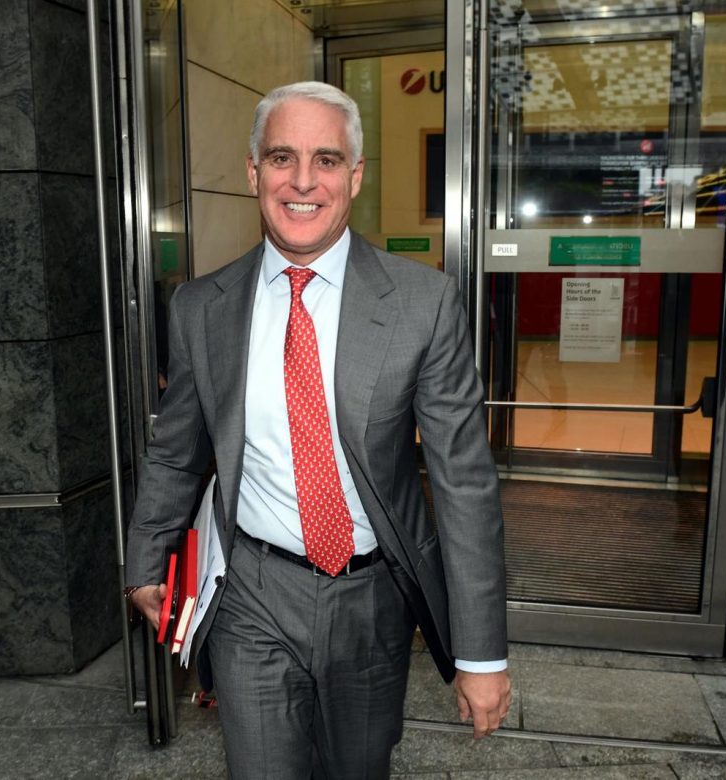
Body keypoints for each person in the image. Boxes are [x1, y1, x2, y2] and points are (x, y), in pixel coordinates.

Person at [126, 80, 510, 778]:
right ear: (254, 172)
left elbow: (465, 485)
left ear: (354, 176)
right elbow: (177, 452)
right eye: (282, 158)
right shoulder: (200, 308)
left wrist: (481, 655)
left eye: (326, 160)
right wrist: (147, 560)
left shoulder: (422, 305)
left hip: (372, 599)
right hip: (250, 592)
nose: (303, 181)